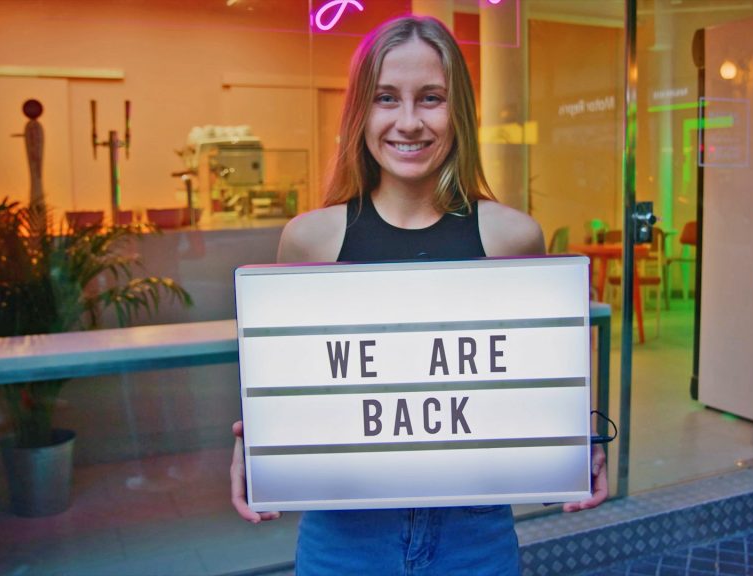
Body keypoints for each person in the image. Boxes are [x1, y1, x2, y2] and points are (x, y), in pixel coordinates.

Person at [231, 15, 607, 574]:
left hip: (473, 535)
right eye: (386, 98)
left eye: (430, 98)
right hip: (345, 538)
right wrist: (258, 440)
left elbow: (538, 371)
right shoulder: (311, 239)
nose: (409, 121)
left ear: (459, 113)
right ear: (361, 111)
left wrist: (581, 439)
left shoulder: (512, 236)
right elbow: (297, 380)